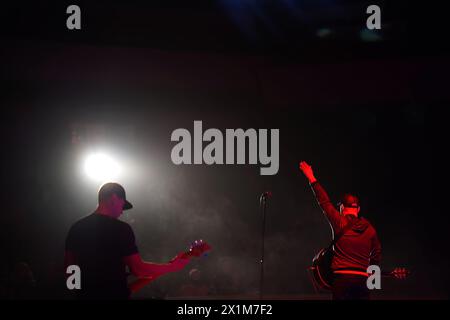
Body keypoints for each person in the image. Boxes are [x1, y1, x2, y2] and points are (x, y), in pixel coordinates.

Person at [64, 182, 189, 299]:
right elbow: (138, 269)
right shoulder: (121, 229)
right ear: (114, 198)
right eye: (122, 205)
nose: (122, 211)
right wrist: (172, 267)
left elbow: (70, 271)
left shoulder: (76, 228)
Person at [299, 161, 381, 300]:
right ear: (358, 209)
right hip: (362, 281)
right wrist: (371, 278)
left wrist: (311, 177)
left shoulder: (339, 220)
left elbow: (324, 201)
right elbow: (377, 253)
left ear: (342, 208)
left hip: (342, 280)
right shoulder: (370, 228)